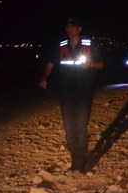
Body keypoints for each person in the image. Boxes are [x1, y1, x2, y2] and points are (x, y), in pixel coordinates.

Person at [39, 16, 104, 173]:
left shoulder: (89, 44)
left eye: (73, 27)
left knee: (81, 127)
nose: (70, 30)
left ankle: (79, 164)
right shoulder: (61, 46)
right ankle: (75, 158)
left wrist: (91, 65)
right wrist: (44, 78)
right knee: (69, 128)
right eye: (68, 27)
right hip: (66, 92)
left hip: (84, 91)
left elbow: (102, 65)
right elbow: (50, 64)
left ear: (79, 29)